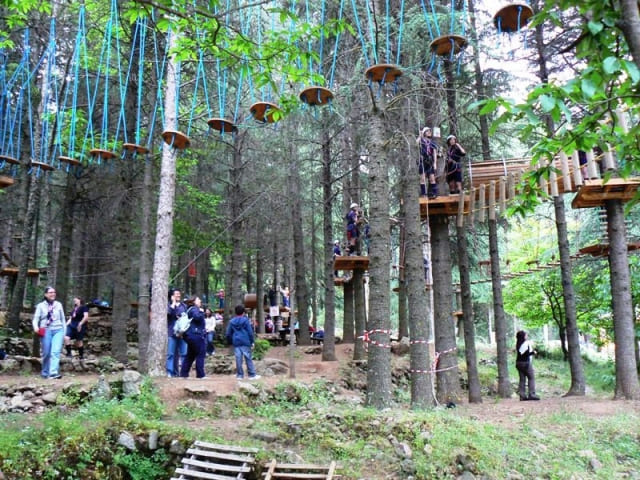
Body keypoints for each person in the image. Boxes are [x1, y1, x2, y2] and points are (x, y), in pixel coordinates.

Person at [31, 286, 65, 379]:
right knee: (46, 353)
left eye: (54, 292)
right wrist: (36, 327)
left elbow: (63, 319)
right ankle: (45, 372)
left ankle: (53, 373)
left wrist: (64, 332)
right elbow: (35, 319)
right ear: (46, 294)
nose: (53, 294)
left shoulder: (59, 304)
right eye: (50, 292)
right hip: (45, 330)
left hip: (58, 330)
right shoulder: (40, 306)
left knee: (55, 352)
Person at [226, 304, 260, 380]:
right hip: (245, 340)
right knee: (248, 357)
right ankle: (252, 375)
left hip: (236, 341)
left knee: (238, 358)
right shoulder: (245, 320)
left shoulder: (231, 321)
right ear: (243, 312)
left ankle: (240, 375)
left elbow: (228, 333)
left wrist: (230, 341)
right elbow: (250, 332)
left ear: (235, 312)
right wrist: (252, 341)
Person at [179, 296, 207, 378]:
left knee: (190, 355)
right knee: (200, 353)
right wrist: (201, 312)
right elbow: (197, 317)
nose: (200, 301)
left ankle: (184, 373)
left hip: (189, 335)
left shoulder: (189, 309)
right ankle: (200, 374)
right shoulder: (195, 309)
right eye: (198, 299)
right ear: (194, 301)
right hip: (196, 335)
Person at [166, 288, 188, 377]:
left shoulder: (184, 306)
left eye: (179, 293)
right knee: (170, 354)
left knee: (184, 353)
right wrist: (173, 303)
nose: (178, 295)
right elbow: (168, 314)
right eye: (176, 294)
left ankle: (183, 372)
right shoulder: (168, 305)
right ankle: (170, 372)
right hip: (172, 332)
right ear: (172, 295)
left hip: (182, 333)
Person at [515, 330, 540, 401]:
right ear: (523, 336)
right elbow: (524, 354)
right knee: (531, 377)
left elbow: (520, 354)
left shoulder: (518, 344)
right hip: (525, 363)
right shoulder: (525, 343)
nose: (527, 336)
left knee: (522, 379)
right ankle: (532, 394)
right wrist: (533, 353)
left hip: (518, 363)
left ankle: (522, 395)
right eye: (526, 335)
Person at [417, 126, 439, 198]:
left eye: (430, 131)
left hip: (430, 162)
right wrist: (420, 136)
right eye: (427, 131)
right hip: (422, 161)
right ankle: (424, 194)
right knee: (422, 178)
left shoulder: (432, 142)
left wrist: (435, 163)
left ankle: (434, 193)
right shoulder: (421, 141)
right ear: (424, 133)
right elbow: (415, 144)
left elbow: (434, 153)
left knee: (432, 178)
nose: (429, 132)